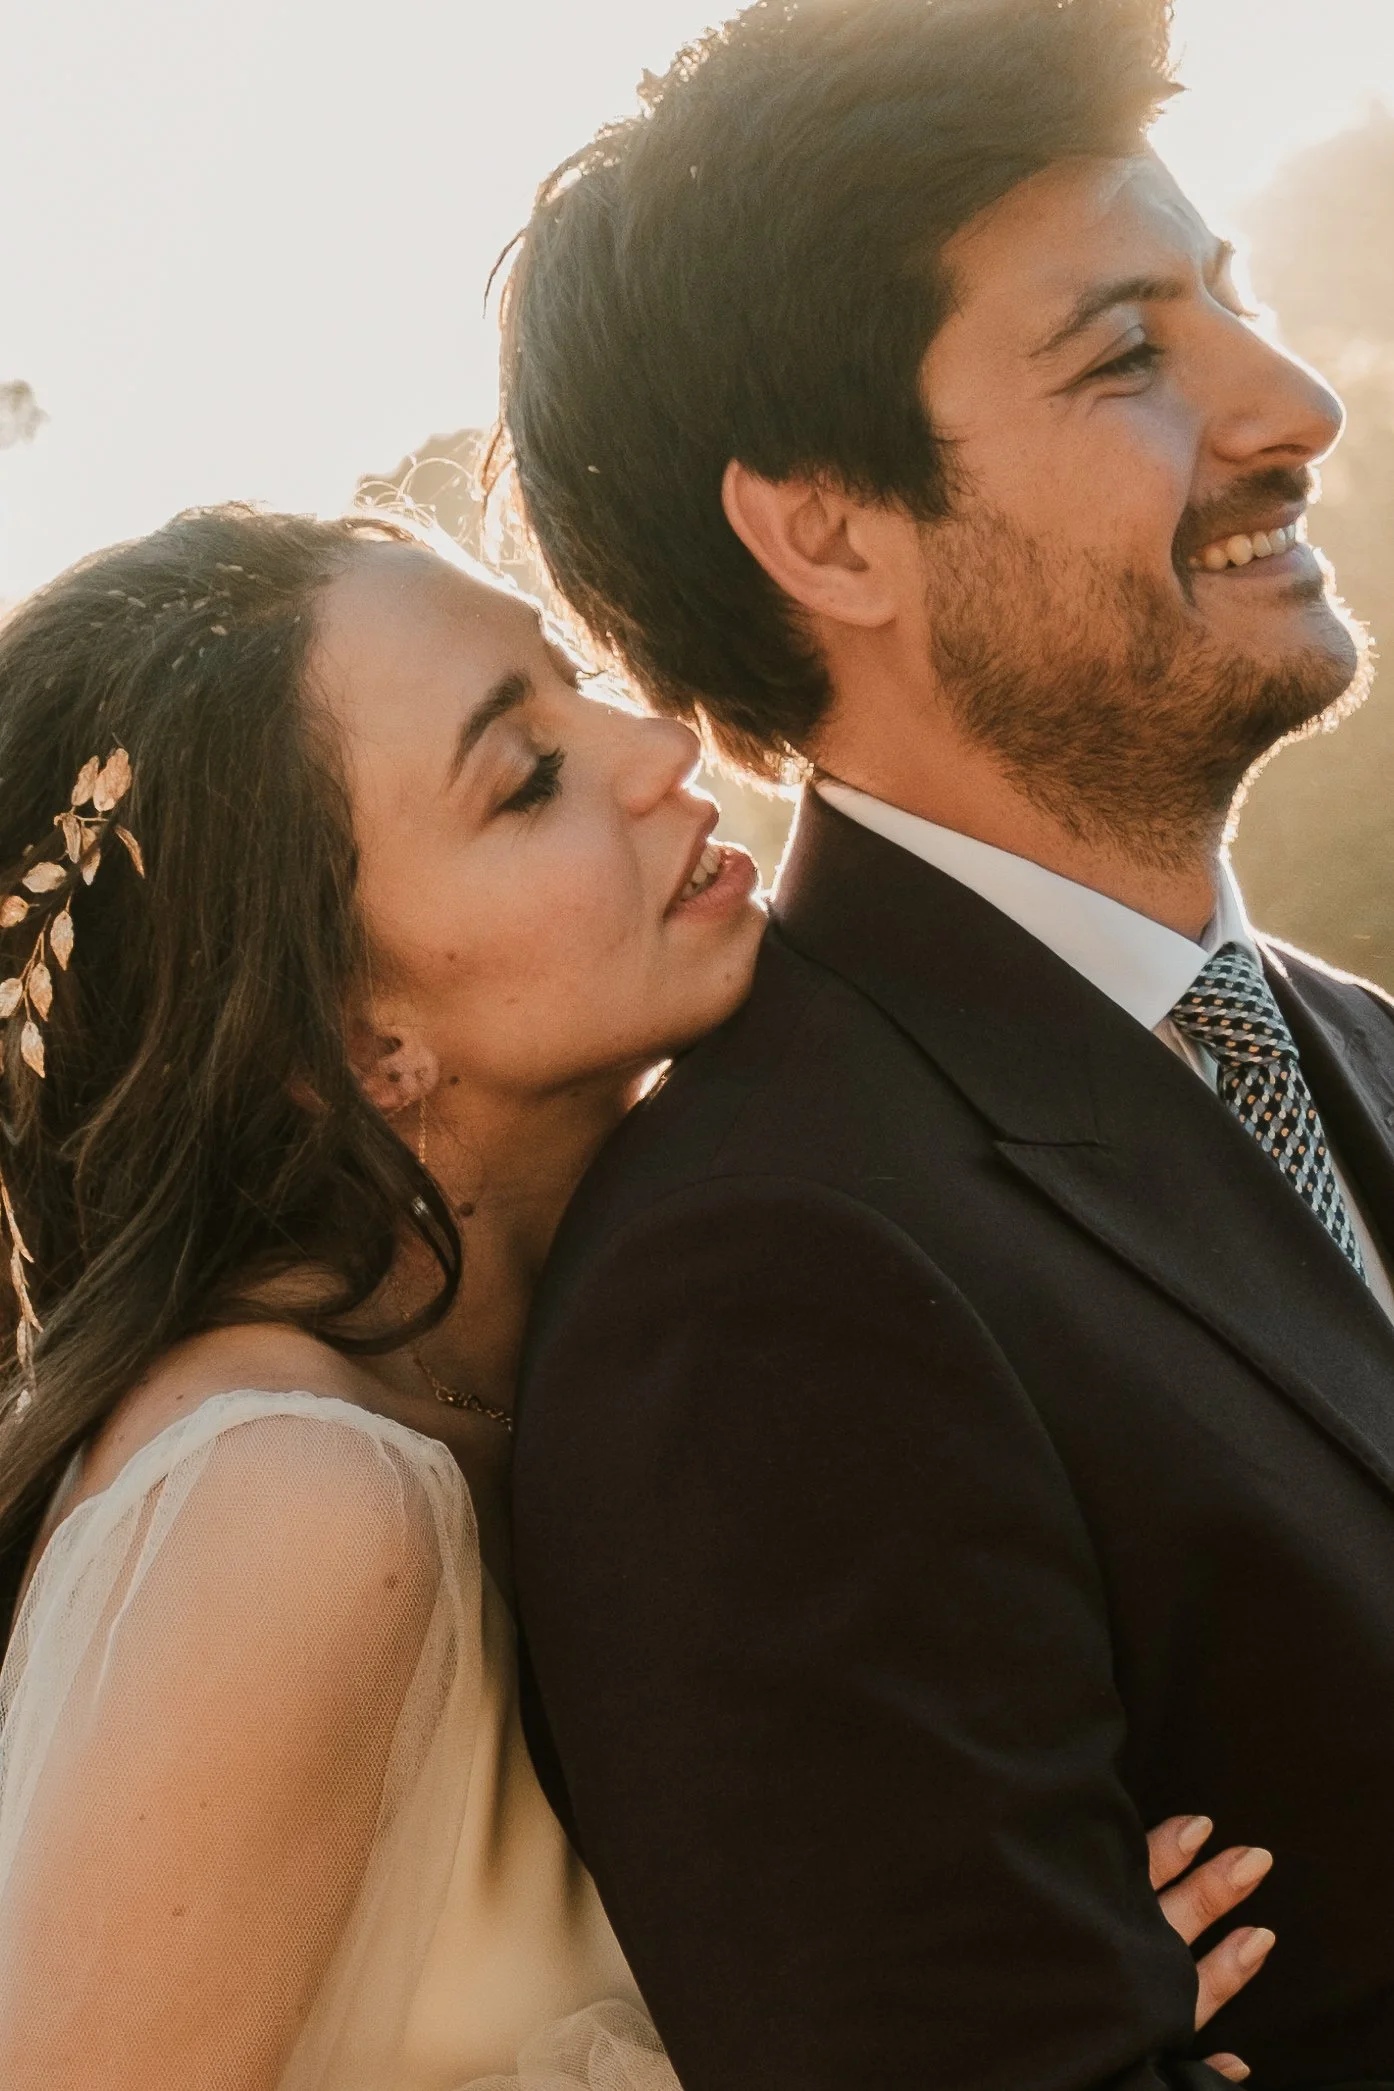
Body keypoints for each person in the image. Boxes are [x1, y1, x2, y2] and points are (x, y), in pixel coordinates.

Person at [0, 505, 1266, 2086]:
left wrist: (995, 1952)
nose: (654, 743)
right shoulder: (287, 1505)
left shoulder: (609, 1368)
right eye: (523, 777)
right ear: (345, 1047)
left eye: (576, 674)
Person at [497, 0, 1394, 2086]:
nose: (1290, 406)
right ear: (826, 532)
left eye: (1235, 299)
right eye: (1123, 358)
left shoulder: (1347, 1047)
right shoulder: (765, 1285)